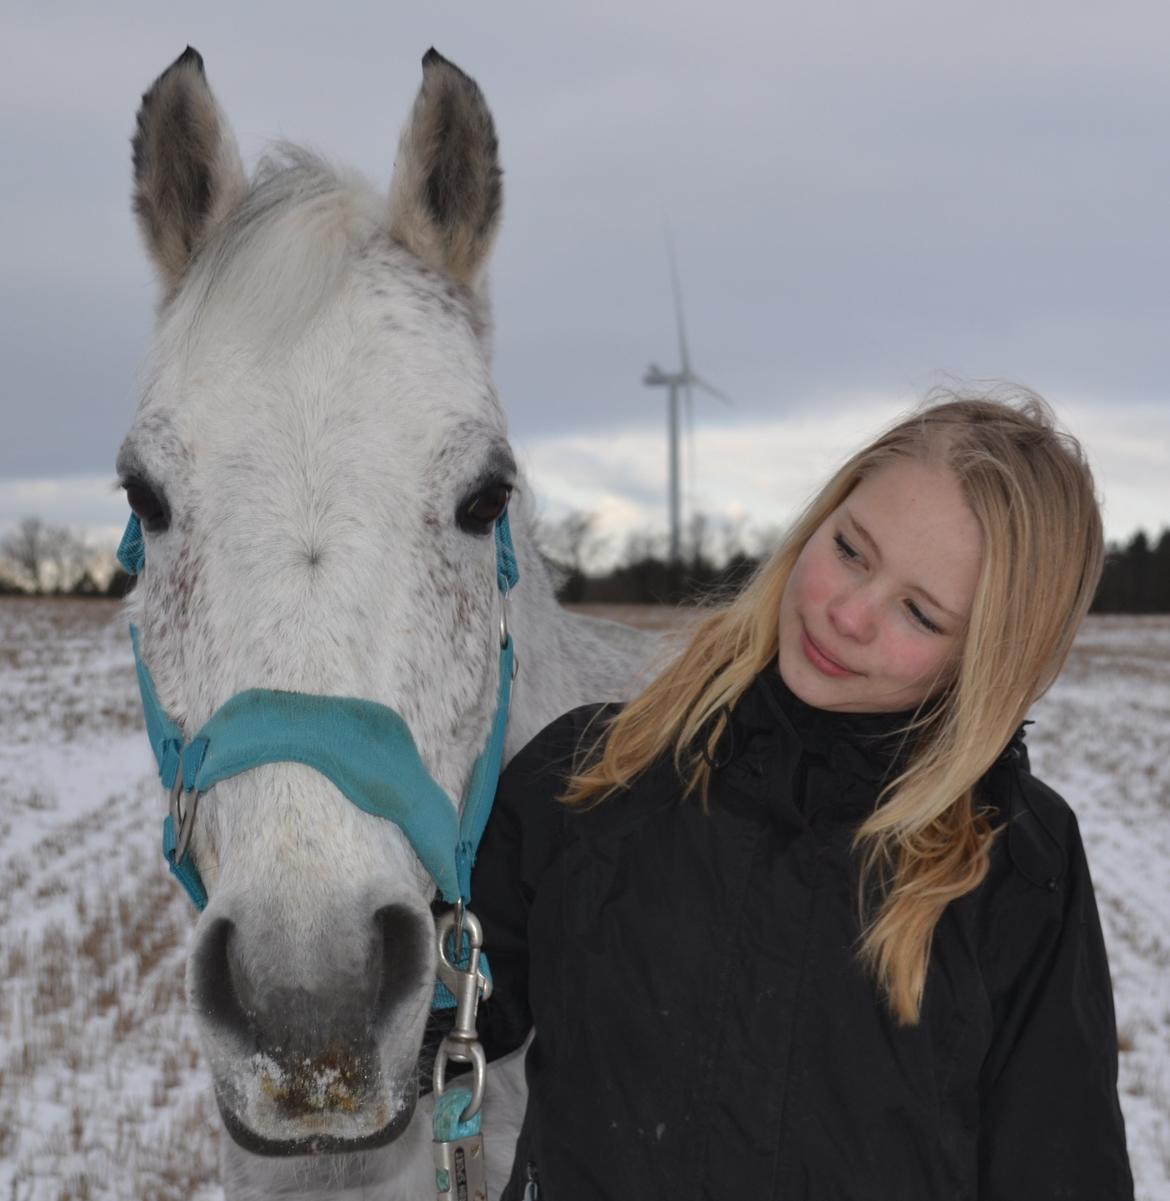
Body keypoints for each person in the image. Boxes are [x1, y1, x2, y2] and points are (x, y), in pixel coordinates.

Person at [471, 393, 1134, 1200]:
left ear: (985, 663)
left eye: (919, 612)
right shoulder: (591, 775)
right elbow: (411, 1027)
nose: (847, 612)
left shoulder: (1016, 868)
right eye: (852, 549)